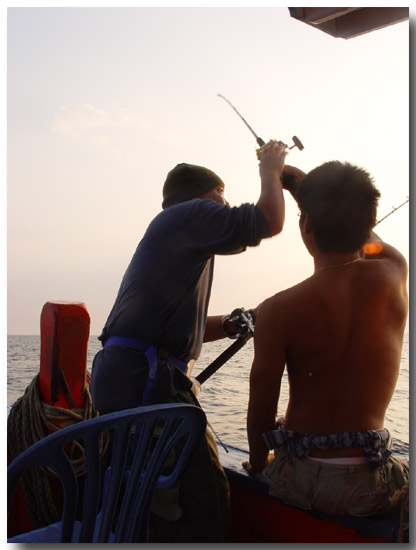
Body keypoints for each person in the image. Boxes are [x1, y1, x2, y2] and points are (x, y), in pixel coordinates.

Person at [90, 142, 288, 542]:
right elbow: (269, 220)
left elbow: (172, 332)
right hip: (147, 383)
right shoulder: (189, 215)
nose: (226, 203)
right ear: (203, 195)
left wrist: (232, 324)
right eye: (221, 194)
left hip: (129, 375)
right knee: (205, 502)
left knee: (153, 499)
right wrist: (272, 169)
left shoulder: (175, 238)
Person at [244, 160, 409, 518]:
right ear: (367, 224)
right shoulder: (395, 270)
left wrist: (259, 464)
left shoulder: (277, 310)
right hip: (371, 481)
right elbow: (371, 242)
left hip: (302, 478)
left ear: (305, 228)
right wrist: (305, 188)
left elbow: (261, 412)